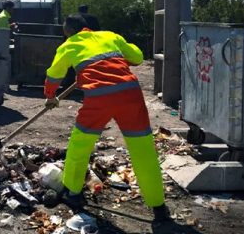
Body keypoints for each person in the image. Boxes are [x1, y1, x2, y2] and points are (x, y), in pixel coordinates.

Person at [44, 15, 169, 221]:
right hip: (130, 94)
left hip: (98, 97)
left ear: (69, 31)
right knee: (143, 149)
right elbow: (137, 57)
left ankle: (73, 193)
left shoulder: (68, 45)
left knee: (80, 145)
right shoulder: (110, 36)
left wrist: (50, 97)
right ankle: (158, 206)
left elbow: (54, 75)